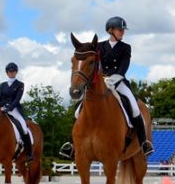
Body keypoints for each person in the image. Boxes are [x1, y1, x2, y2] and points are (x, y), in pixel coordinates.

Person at [59, 16, 153, 158]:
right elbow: (94, 63)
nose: (122, 32)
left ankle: (143, 142)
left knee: (134, 107)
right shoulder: (100, 47)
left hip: (119, 81)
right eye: (119, 30)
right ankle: (71, 144)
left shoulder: (125, 48)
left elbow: (124, 66)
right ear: (111, 30)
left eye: (123, 30)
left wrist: (115, 78)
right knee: (78, 110)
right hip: (101, 82)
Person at [0, 62, 34, 162]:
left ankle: (29, 152)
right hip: (2, 108)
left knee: (24, 127)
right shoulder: (2, 85)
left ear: (16, 72)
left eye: (14, 71)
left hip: (14, 109)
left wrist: (9, 108)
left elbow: (17, 99)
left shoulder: (20, 84)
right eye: (10, 71)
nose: (12, 73)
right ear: (7, 73)